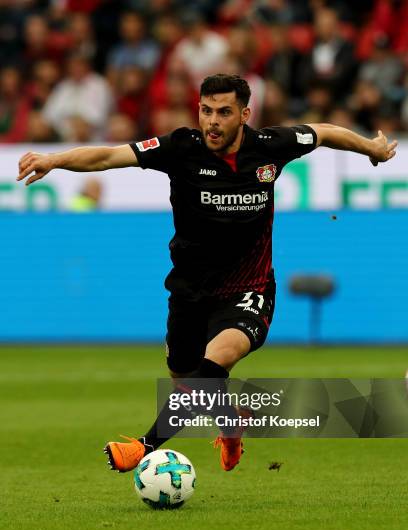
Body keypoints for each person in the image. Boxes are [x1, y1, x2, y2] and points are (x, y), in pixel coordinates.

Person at [17, 74, 397, 472]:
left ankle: (145, 446)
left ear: (245, 114)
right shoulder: (181, 148)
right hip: (189, 289)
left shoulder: (269, 147)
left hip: (249, 289)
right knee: (183, 373)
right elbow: (109, 157)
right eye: (206, 110)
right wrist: (54, 160)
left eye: (224, 112)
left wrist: (370, 148)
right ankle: (230, 423)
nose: (212, 121)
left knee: (211, 366)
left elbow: (323, 132)